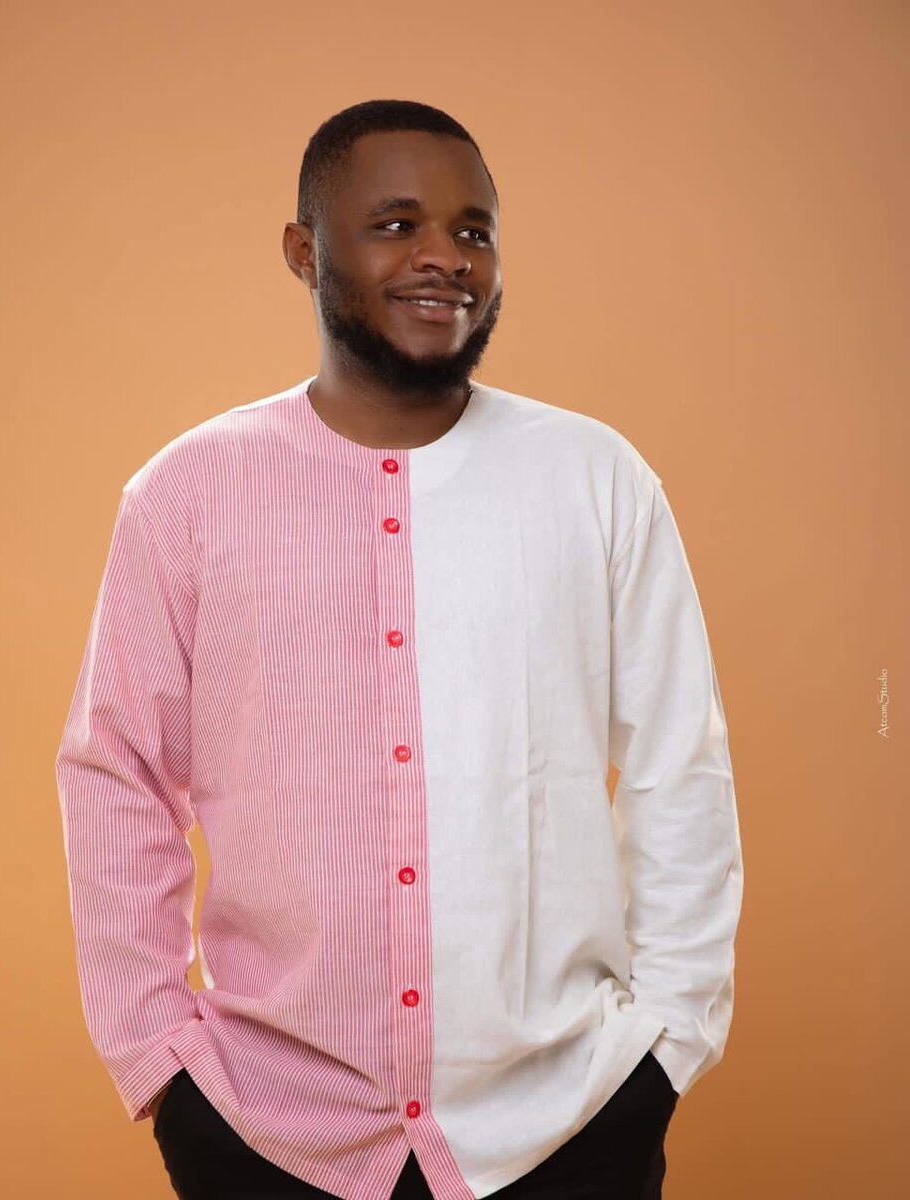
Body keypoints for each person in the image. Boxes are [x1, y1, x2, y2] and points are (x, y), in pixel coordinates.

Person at [55, 98, 743, 1200]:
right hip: (266, 1130)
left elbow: (681, 769)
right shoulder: (186, 496)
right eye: (396, 225)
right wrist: (159, 1065)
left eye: (474, 231)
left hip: (568, 1122)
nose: (445, 258)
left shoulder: (596, 480)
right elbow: (118, 777)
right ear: (304, 251)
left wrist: (667, 1049)